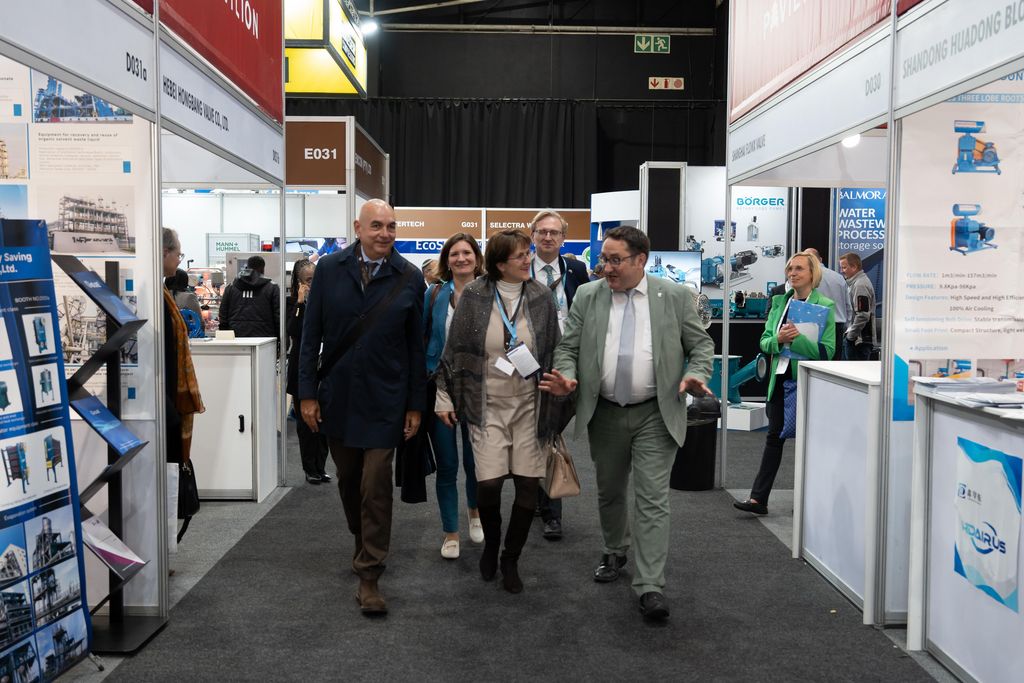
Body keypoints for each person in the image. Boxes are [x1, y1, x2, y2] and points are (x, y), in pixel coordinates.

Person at [539, 226, 715, 622]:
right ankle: (615, 549)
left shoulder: (673, 296)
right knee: (610, 490)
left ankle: (650, 584)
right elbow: (569, 347)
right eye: (604, 259)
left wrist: (696, 373)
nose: (606, 267)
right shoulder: (588, 295)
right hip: (604, 411)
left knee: (653, 497)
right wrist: (567, 376)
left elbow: (701, 345)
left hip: (656, 411)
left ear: (641, 260)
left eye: (615, 260)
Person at [297, 199, 427, 616]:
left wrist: (414, 404)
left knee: (376, 483)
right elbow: (309, 335)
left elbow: (415, 347)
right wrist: (306, 393)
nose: (385, 233)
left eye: (391, 226)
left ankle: (370, 573)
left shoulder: (408, 278)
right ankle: (362, 539)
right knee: (349, 481)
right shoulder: (330, 270)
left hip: (387, 399)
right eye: (377, 226)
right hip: (338, 395)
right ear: (358, 227)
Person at [434, 229, 566, 594]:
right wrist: (443, 396)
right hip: (485, 404)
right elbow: (454, 350)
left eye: (528, 253)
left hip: (530, 404)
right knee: (488, 486)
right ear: (498, 263)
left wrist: (562, 388)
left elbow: (555, 349)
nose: (529, 259)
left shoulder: (540, 296)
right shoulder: (475, 295)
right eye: (521, 255)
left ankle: (511, 557)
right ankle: (491, 545)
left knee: (527, 487)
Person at [734, 251, 836, 516]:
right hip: (779, 379)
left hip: (809, 382)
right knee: (773, 438)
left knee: (812, 443)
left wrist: (796, 339)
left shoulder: (824, 305)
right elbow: (764, 342)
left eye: (799, 269)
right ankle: (758, 499)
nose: (792, 273)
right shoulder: (780, 302)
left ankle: (817, 502)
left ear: (812, 273)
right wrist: (779, 339)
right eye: (790, 269)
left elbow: (827, 351)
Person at [529, 209, 589, 541]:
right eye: (542, 232)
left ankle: (544, 500)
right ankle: (549, 508)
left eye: (555, 232)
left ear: (563, 237)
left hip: (567, 362)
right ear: (533, 235)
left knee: (549, 431)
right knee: (544, 433)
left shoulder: (576, 269)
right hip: (529, 363)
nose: (548, 237)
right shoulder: (521, 267)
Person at [424, 234, 485, 559]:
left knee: (477, 464)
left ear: (476, 257)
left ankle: (475, 512)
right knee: (447, 465)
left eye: (467, 252)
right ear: (447, 260)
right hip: (441, 390)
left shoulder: (492, 293)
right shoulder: (434, 294)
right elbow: (422, 338)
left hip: (480, 390)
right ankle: (450, 532)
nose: (461, 258)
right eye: (455, 253)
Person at [161, 229, 205, 532]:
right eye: (177, 252)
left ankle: (163, 550)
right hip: (165, 402)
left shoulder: (162, 295)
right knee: (167, 471)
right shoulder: (157, 297)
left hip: (168, 400)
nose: (179, 257)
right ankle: (160, 550)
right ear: (164, 252)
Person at [286, 259, 330, 485]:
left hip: (324, 367)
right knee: (305, 424)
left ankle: (321, 466)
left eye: (316, 279)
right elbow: (293, 332)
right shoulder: (292, 303)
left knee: (325, 422)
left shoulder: (326, 299)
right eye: (308, 280)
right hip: (301, 369)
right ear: (299, 281)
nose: (313, 284)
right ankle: (309, 468)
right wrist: (301, 304)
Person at [219, 255, 281, 340]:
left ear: (247, 267)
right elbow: (278, 317)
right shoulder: (272, 288)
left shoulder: (231, 287)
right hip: (265, 341)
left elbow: (223, 315)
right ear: (263, 269)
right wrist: (280, 339)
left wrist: (225, 337)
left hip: (236, 339)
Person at [804, 248, 850, 356]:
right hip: (837, 327)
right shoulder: (839, 278)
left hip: (813, 325)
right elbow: (848, 306)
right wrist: (846, 328)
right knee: (834, 366)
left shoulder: (807, 278)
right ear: (820, 259)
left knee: (814, 363)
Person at [839, 252, 877, 361]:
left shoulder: (860, 285)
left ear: (854, 267)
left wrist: (850, 336)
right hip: (856, 340)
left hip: (858, 342)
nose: (841, 271)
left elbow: (863, 315)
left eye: (844, 267)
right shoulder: (856, 283)